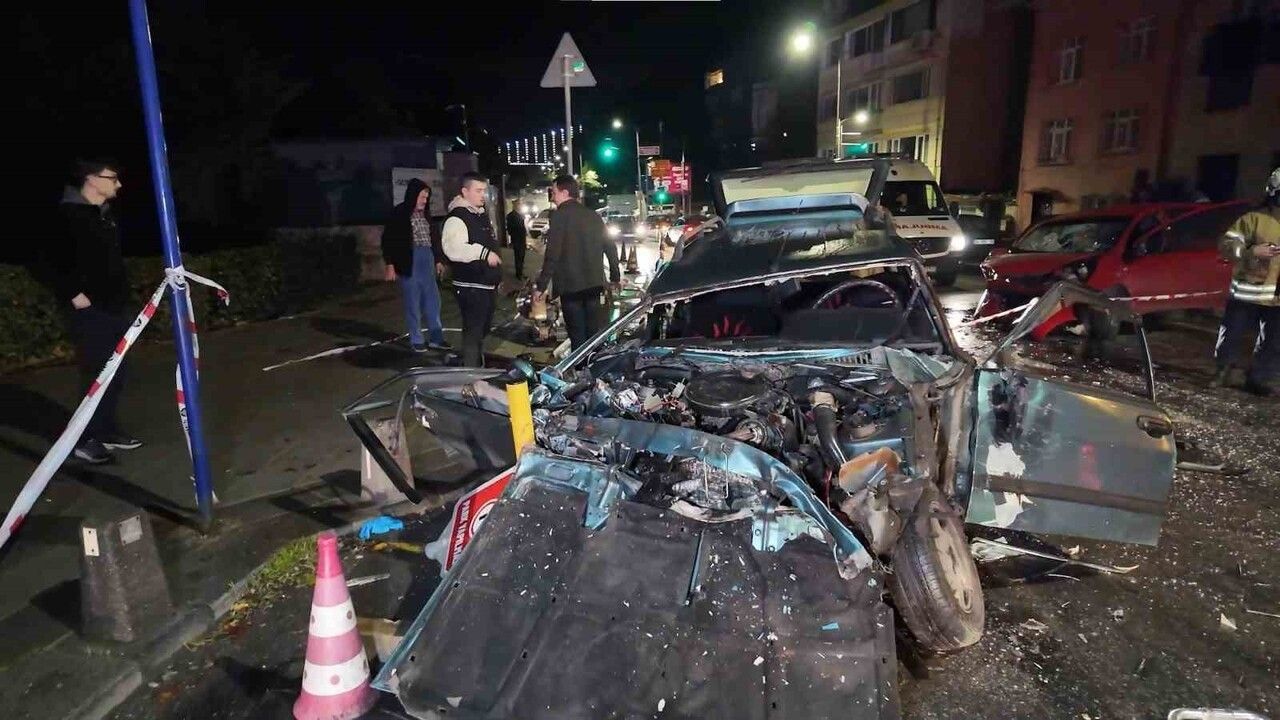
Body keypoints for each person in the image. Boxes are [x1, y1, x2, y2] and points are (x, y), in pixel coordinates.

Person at [46, 158, 141, 464]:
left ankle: (107, 429)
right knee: (96, 373)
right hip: (90, 310)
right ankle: (84, 439)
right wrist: (73, 293)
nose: (119, 184)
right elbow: (46, 260)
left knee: (117, 370)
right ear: (91, 179)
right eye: (113, 178)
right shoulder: (66, 216)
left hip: (114, 304)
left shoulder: (105, 215)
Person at [1212, 167, 1280, 396]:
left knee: (1273, 342)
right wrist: (1252, 251)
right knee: (1232, 334)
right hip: (1247, 291)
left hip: (1277, 296)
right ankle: (1223, 371)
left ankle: (1259, 379)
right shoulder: (1253, 219)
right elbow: (1227, 245)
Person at [534, 175, 621, 350]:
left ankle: (580, 371)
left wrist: (541, 287)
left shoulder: (559, 216)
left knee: (577, 335)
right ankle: (593, 368)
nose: (552, 196)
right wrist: (615, 276)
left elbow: (553, 254)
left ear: (565, 192)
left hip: (570, 287)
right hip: (594, 284)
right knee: (593, 333)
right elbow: (610, 247)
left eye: (555, 192)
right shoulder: (593, 216)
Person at [381, 179, 448, 352]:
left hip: (427, 259)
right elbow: (388, 240)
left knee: (433, 301)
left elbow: (434, 238)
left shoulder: (426, 214)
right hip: (408, 261)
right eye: (421, 196)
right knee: (413, 303)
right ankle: (416, 339)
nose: (424, 200)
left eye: (426, 197)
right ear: (412, 195)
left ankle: (436, 338)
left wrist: (438, 259)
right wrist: (390, 264)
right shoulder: (399, 213)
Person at [441, 172, 501, 366]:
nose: (482, 195)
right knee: (473, 331)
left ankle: (474, 364)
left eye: (484, 190)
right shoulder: (457, 217)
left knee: (482, 329)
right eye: (478, 190)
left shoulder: (479, 214)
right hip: (471, 285)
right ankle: (471, 374)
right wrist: (483, 253)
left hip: (485, 284)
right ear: (464, 192)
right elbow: (453, 249)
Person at [505, 201, 528, 280]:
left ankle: (521, 273)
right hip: (517, 239)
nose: (520, 206)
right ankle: (519, 274)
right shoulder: (511, 216)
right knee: (518, 257)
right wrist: (514, 238)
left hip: (522, 239)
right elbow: (510, 228)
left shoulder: (520, 214)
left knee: (521, 257)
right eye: (519, 204)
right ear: (515, 205)